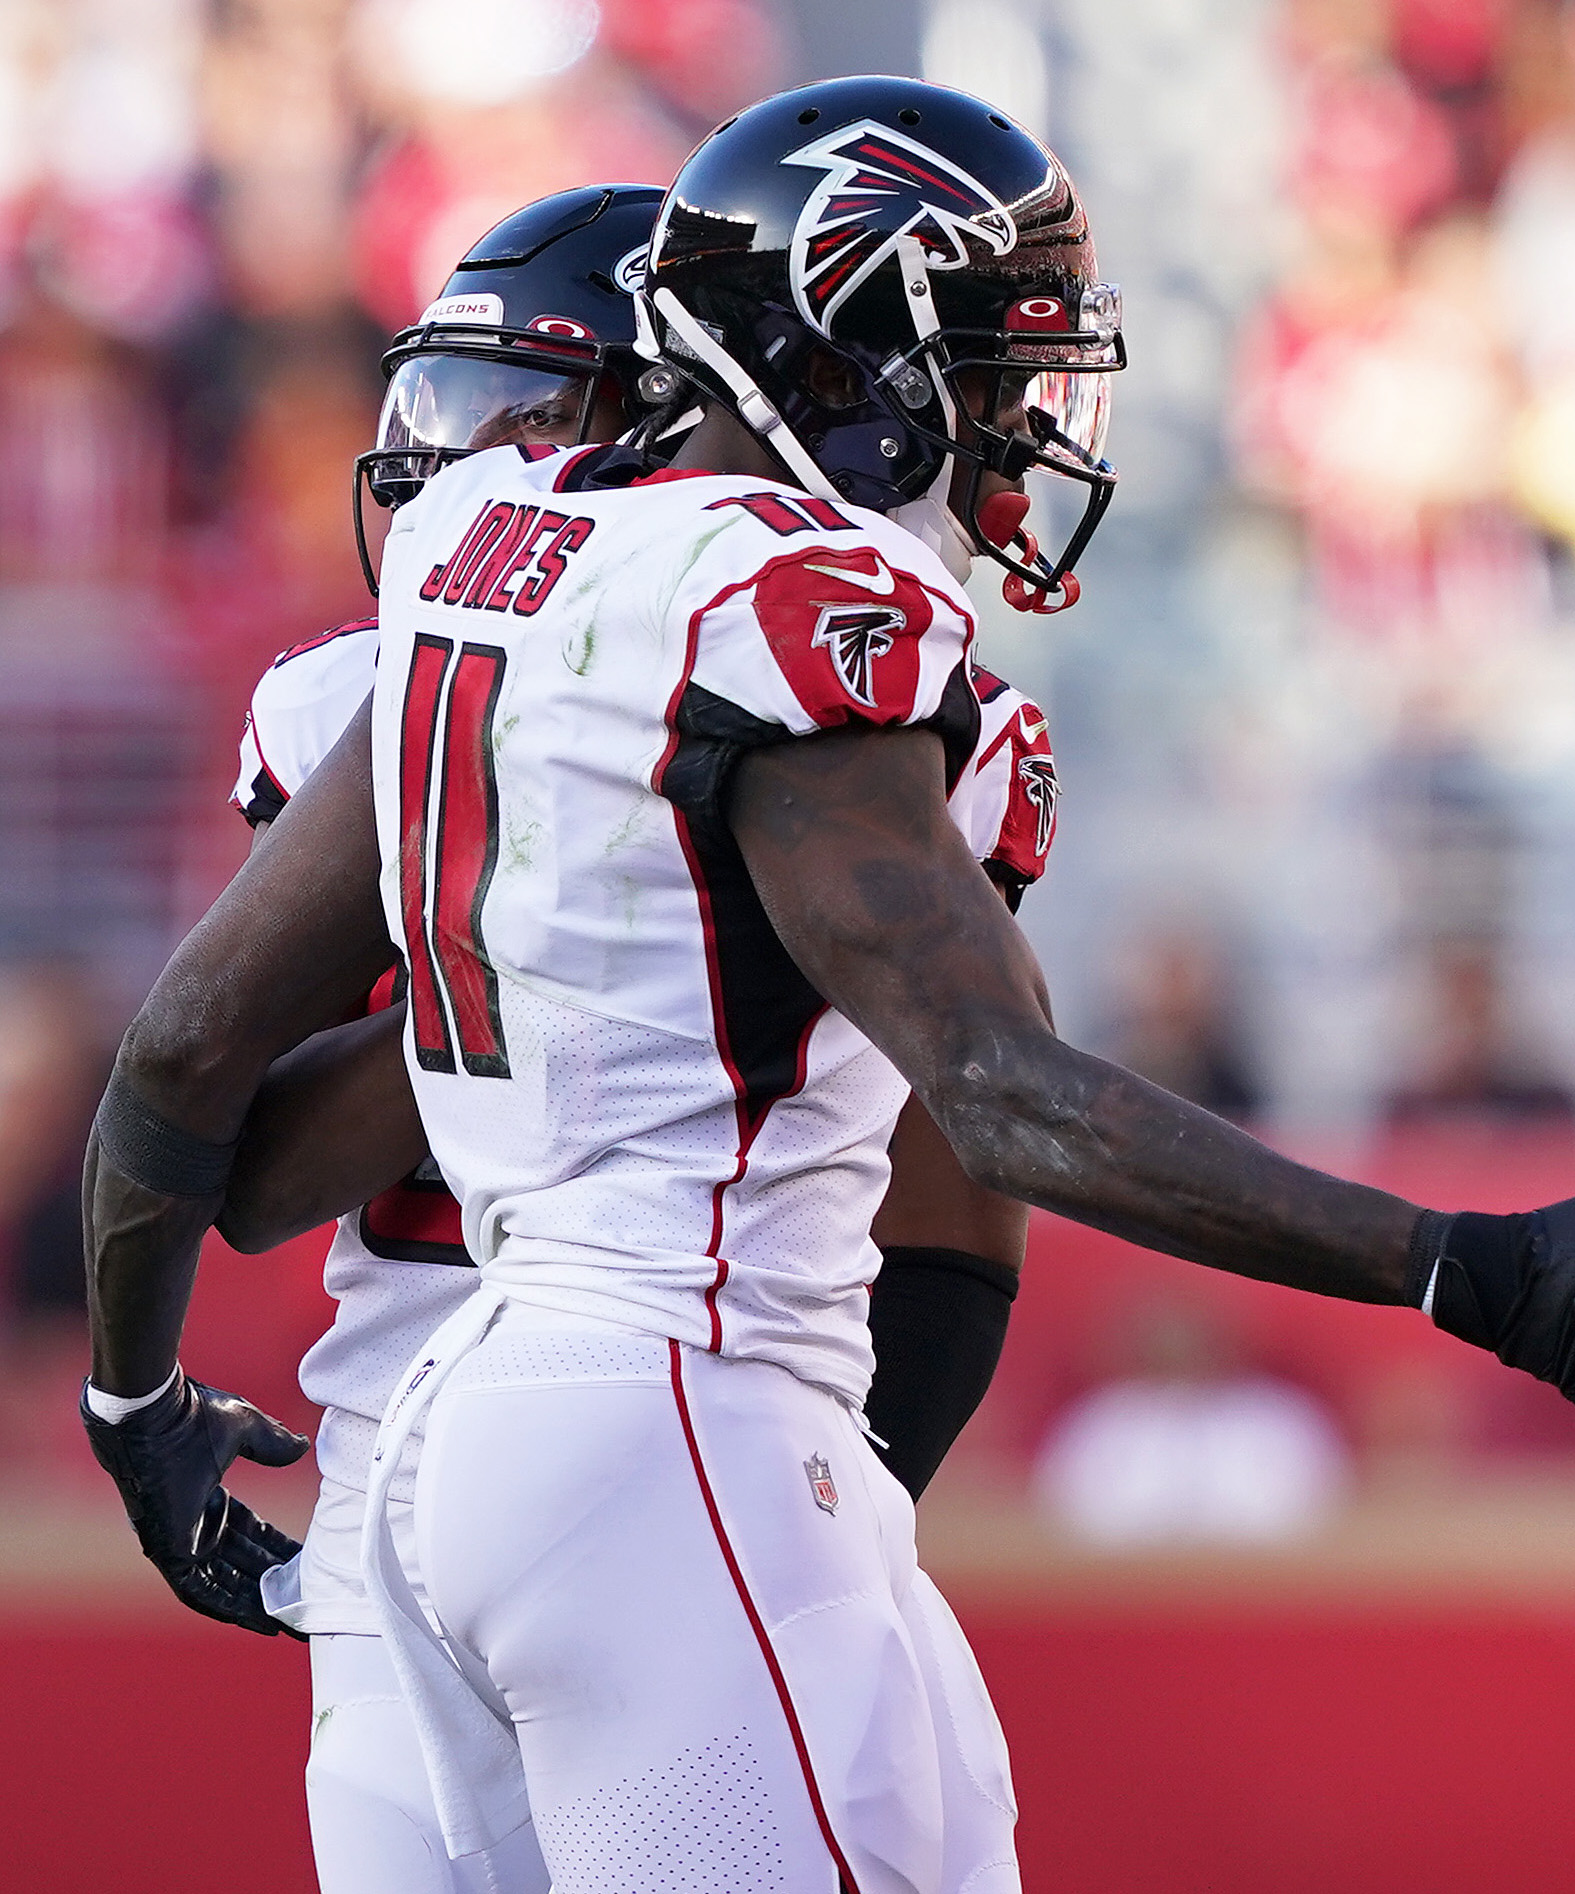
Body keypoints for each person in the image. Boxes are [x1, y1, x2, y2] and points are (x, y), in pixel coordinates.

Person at [78, 76, 1575, 1890]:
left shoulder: (481, 577)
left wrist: (134, 1401)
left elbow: (189, 1062)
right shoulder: (798, 600)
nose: (1019, 420)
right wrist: (1465, 1268)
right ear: (850, 342)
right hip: (681, 1394)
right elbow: (998, 1103)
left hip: (440, 1452)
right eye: (988, 364)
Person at [176, 180, 1070, 1894]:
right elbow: (239, 1144)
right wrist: (587, 980)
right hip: (438, 1464)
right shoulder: (368, 702)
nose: (465, 464)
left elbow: (961, 1206)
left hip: (671, 1436)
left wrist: (809, 1499)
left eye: (525, 411)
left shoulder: (842, 691)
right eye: (447, 408)